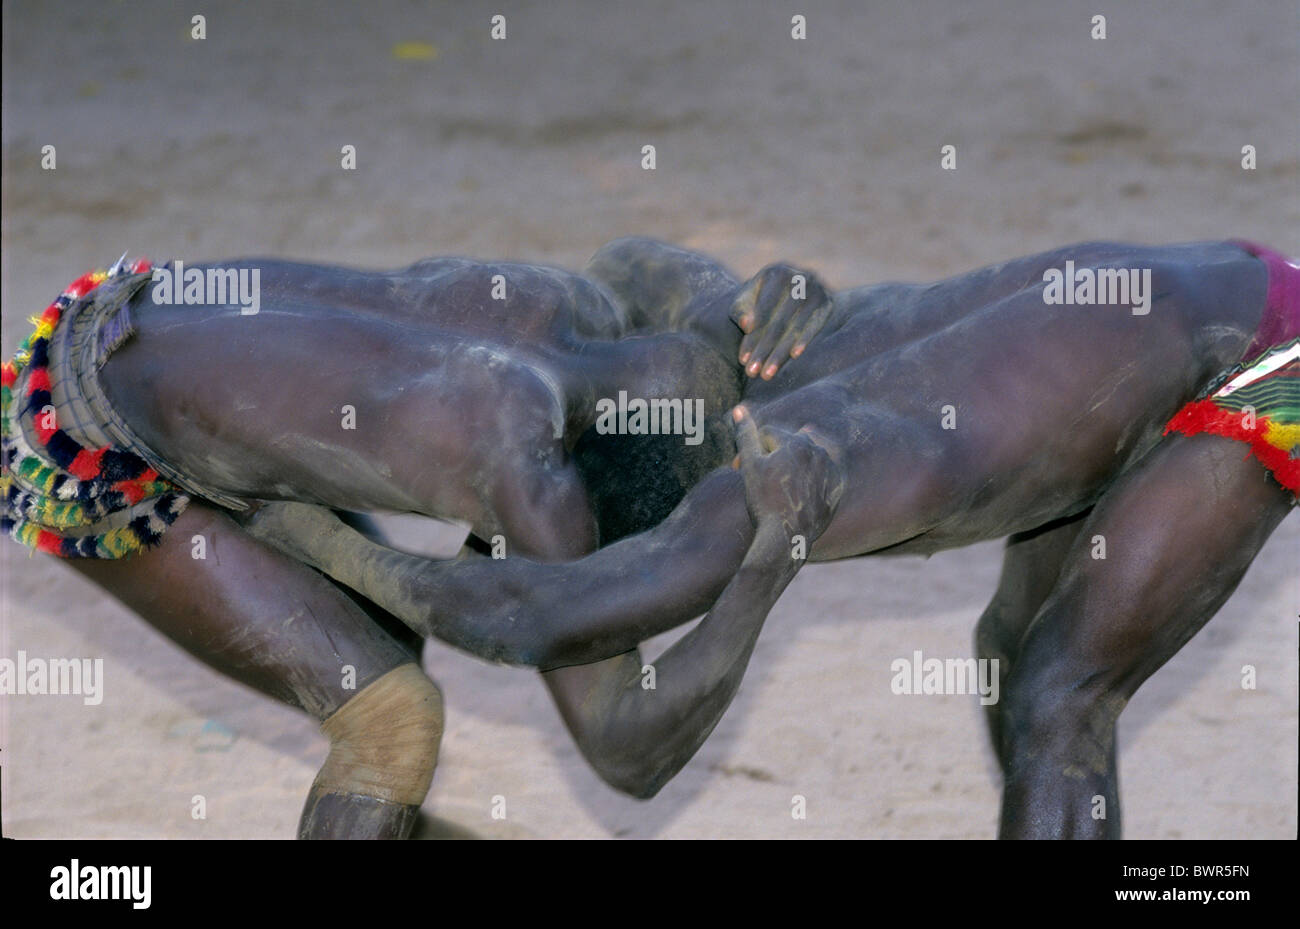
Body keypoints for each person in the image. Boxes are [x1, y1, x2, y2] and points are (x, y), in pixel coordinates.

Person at [244, 239, 1298, 838]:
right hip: (1197, 313)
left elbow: (553, 630)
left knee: (1058, 694)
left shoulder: (769, 479)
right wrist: (775, 276)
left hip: (1260, 361)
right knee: (1017, 652)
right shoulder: (719, 346)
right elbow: (641, 261)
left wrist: (301, 531)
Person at [2, 239, 831, 837]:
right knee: (391, 717)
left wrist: (778, 291)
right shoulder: (529, 469)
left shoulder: (568, 302)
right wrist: (773, 553)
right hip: (87, 446)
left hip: (128, 315)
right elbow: (627, 749)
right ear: (596, 503)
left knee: (385, 639)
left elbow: (654, 265)